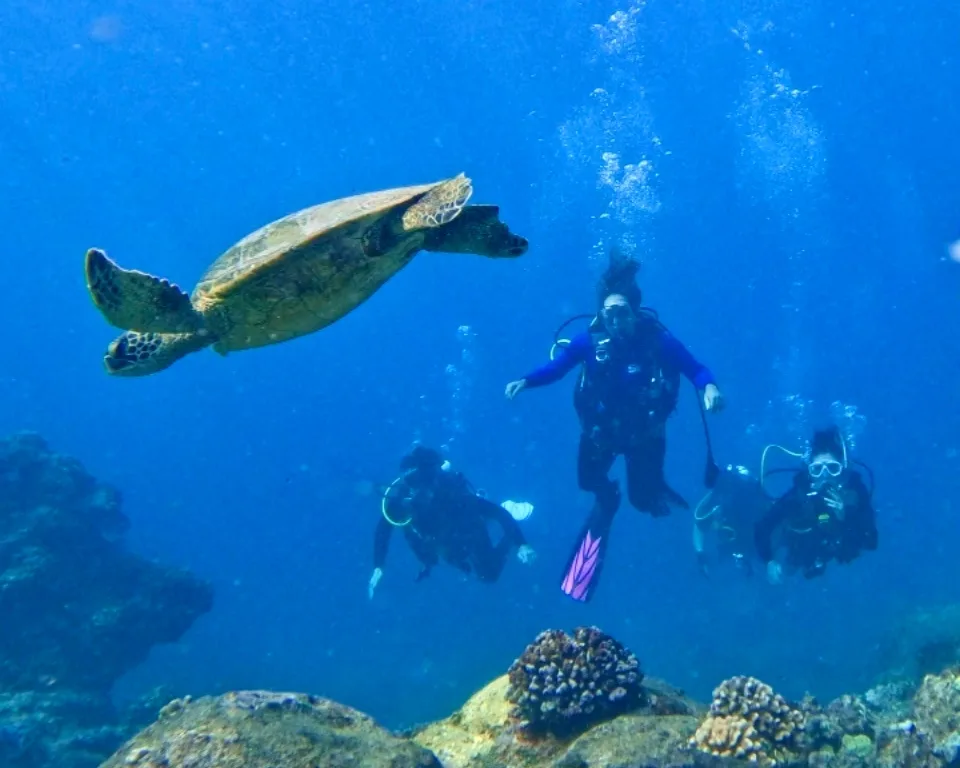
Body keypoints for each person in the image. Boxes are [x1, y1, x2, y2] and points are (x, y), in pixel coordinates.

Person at [504, 252, 723, 602]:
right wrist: (525, 381)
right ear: (600, 313)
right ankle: (610, 497)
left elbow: (694, 368)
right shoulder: (588, 342)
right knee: (588, 482)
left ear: (635, 311)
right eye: (608, 312)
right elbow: (557, 369)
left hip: (645, 437)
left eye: (621, 311)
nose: (614, 318)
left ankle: (652, 489)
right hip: (600, 433)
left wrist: (710, 388)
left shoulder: (658, 341)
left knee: (642, 501)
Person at [368, 446, 536, 599]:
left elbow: (497, 512)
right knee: (473, 570)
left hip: (468, 530)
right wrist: (378, 566)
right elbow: (383, 529)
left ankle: (509, 517)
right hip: (443, 543)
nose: (418, 489)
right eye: (411, 480)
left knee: (489, 575)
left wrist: (521, 544)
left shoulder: (451, 493)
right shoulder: (402, 500)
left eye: (422, 479)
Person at [754, 426, 877, 584]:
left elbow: (871, 541)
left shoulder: (855, 493)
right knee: (792, 564)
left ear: (842, 470)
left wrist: (846, 515)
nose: (825, 476)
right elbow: (764, 526)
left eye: (832, 468)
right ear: (809, 472)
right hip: (803, 548)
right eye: (817, 469)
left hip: (837, 547)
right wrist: (768, 560)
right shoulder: (798, 494)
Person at [692, 464, 771, 577]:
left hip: (750, 525)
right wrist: (700, 554)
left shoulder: (754, 505)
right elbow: (699, 524)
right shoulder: (719, 500)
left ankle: (750, 558)